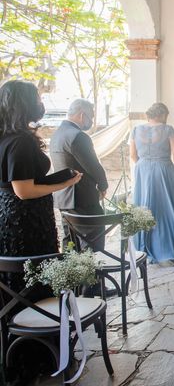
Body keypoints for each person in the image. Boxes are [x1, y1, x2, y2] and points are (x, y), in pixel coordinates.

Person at [0, 80, 82, 383]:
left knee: (21, 284)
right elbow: (23, 190)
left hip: (11, 219)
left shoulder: (6, 137)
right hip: (26, 224)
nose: (40, 100)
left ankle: (28, 353)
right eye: (36, 96)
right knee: (31, 283)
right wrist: (64, 182)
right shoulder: (20, 141)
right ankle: (37, 357)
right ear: (24, 103)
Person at [130, 102, 174, 264]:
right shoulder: (167, 129)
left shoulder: (136, 130)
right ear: (162, 114)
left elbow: (133, 156)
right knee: (168, 208)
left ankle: (143, 247)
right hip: (164, 169)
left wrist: (144, 166)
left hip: (142, 170)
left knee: (145, 207)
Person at [50, 99, 109, 249]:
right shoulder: (78, 136)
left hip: (64, 197)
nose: (92, 121)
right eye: (92, 116)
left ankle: (72, 272)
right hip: (83, 198)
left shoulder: (57, 134)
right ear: (82, 115)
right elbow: (93, 167)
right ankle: (93, 272)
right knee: (92, 242)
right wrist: (103, 185)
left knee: (70, 242)